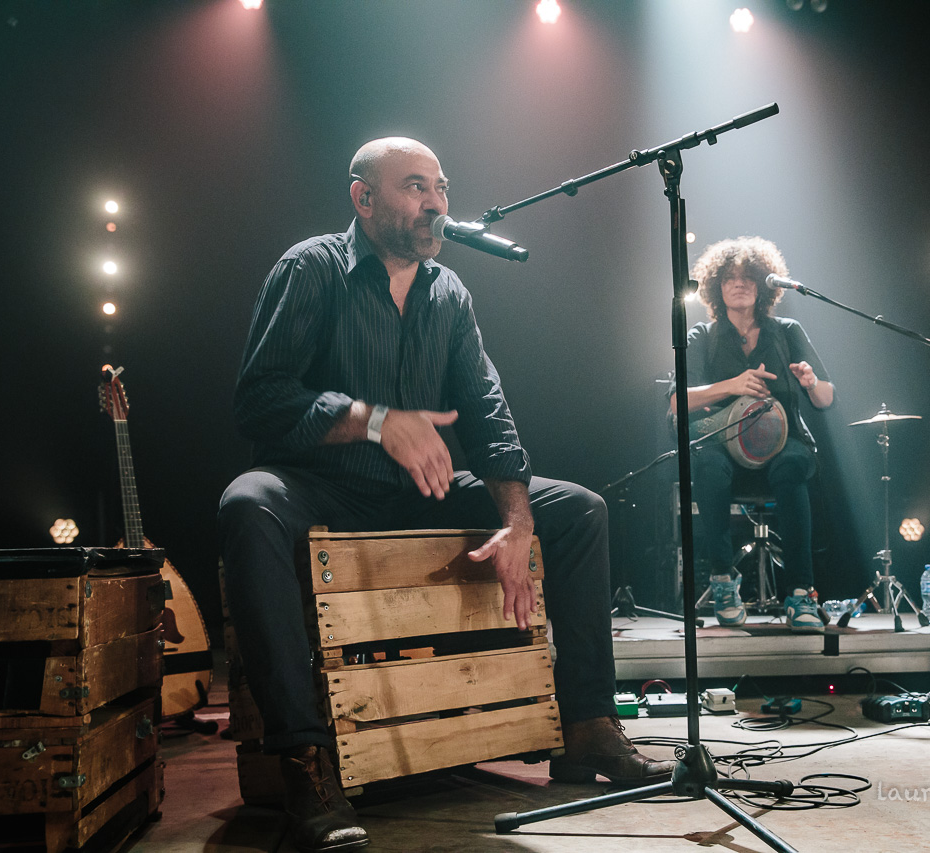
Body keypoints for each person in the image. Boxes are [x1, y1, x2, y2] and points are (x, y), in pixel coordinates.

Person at [219, 137, 674, 853]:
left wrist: (517, 521)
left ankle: (587, 726)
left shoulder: (449, 292)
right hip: (319, 488)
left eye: (441, 188)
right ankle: (305, 763)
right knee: (246, 504)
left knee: (579, 510)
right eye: (414, 187)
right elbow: (259, 402)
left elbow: (489, 416)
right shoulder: (311, 268)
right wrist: (373, 420)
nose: (435, 203)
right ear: (363, 198)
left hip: (413, 493)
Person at [672, 236, 835, 633]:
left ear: (764, 284)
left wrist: (811, 382)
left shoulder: (788, 331)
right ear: (717, 286)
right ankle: (723, 579)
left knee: (794, 464)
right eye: (729, 277)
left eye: (748, 277)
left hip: (782, 446)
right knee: (706, 464)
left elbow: (826, 398)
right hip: (725, 449)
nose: (739, 283)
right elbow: (676, 402)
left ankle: (801, 592)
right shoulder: (702, 336)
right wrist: (732, 385)